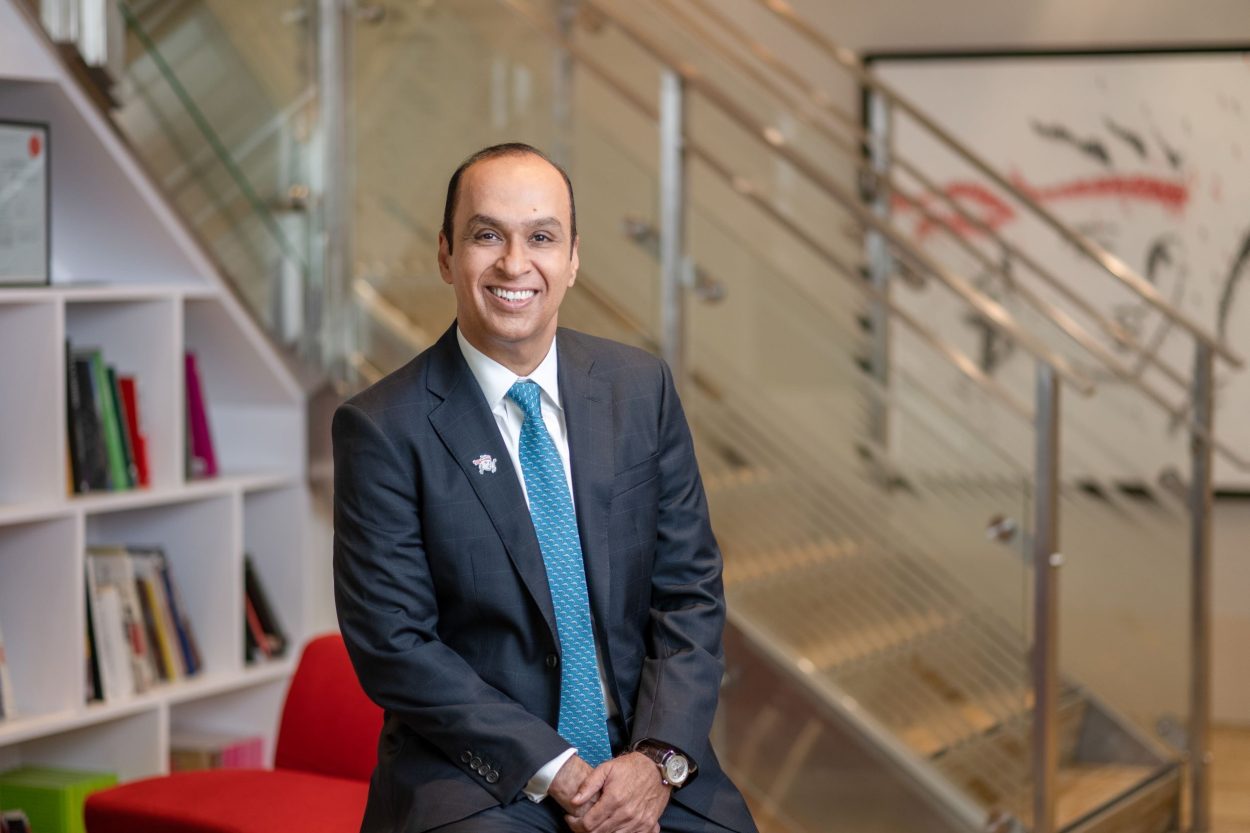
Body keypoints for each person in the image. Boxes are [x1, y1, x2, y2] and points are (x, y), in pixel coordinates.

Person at [333, 143, 758, 833]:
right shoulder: (382, 427)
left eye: (541, 237)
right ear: (445, 254)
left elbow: (690, 592)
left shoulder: (639, 389)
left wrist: (655, 759)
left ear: (573, 258)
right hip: (480, 776)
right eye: (486, 235)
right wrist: (559, 770)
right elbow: (395, 644)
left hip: (642, 756)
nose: (514, 263)